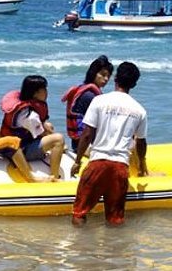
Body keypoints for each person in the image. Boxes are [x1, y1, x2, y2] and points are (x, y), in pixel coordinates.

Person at [70, 62, 148, 227]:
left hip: (97, 162)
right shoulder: (139, 110)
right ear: (134, 84)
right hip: (120, 167)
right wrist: (141, 165)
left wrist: (77, 161)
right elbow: (140, 142)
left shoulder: (99, 101)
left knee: (79, 213)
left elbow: (87, 134)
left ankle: (78, 249)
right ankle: (113, 251)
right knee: (115, 219)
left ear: (115, 78)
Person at [0, 75, 65, 180]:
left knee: (49, 126)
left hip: (16, 145)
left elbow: (43, 127)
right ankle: (55, 175)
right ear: (35, 93)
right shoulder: (29, 115)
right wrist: (61, 145)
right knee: (59, 139)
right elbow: (42, 133)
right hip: (21, 151)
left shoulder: (23, 107)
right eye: (44, 89)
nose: (46, 92)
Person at [62, 55, 113, 151]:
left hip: (79, 143)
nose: (106, 79)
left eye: (108, 76)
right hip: (85, 145)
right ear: (93, 73)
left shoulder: (84, 90)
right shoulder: (89, 96)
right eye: (102, 74)